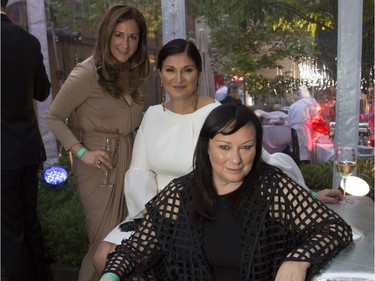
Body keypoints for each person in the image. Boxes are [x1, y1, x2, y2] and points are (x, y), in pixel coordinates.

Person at [99, 104, 352, 281]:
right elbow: (134, 250)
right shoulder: (181, 193)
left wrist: (298, 259)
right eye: (224, 147)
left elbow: (334, 227)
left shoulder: (272, 188)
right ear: (206, 148)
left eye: (246, 147)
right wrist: (110, 276)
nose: (236, 160)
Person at [93, 38, 220, 274]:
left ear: (198, 73)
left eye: (187, 70)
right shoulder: (152, 115)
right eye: (170, 70)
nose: (178, 79)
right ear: (160, 73)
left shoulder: (215, 114)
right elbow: (139, 173)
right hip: (153, 211)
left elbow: (240, 164)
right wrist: (156, 217)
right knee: (104, 256)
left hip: (201, 213)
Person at [45, 4, 150, 281]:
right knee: (102, 247)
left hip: (130, 162)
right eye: (118, 35)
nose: (125, 44)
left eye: (132, 37)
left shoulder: (134, 74)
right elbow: (53, 117)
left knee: (124, 244)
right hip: (98, 167)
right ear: (107, 35)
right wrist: (81, 152)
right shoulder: (87, 72)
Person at [1, 0, 54, 280]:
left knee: (9, 231)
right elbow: (43, 92)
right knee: (29, 221)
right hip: (27, 148)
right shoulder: (29, 41)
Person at [288, 85, 319, 163]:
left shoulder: (295, 104)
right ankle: (304, 164)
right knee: (305, 148)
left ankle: (296, 163)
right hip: (303, 128)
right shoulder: (309, 101)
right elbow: (315, 114)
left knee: (296, 147)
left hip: (293, 128)